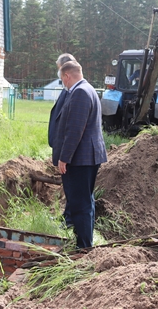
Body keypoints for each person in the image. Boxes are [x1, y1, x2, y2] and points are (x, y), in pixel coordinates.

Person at [51, 60, 108, 248]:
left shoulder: (80, 93)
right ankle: (84, 242)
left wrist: (64, 157)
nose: (63, 84)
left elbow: (75, 129)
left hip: (80, 159)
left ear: (67, 76)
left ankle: (84, 247)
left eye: (62, 80)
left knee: (79, 204)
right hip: (86, 157)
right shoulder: (88, 89)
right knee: (85, 201)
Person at [48, 53, 77, 228]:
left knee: (72, 187)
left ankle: (70, 221)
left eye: (59, 69)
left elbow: (72, 126)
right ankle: (67, 216)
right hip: (62, 147)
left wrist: (65, 154)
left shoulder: (75, 92)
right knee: (68, 186)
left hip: (70, 152)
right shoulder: (67, 90)